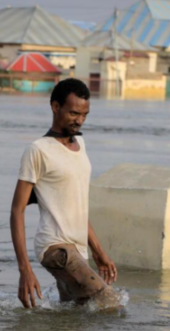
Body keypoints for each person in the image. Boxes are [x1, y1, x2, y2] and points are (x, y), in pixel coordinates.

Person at [10, 79, 118, 309]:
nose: (79, 120)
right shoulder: (38, 150)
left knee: (72, 320)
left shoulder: (81, 144)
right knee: (110, 305)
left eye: (84, 115)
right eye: (73, 113)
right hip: (56, 248)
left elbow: (77, 206)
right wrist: (25, 270)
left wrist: (98, 252)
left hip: (77, 250)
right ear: (55, 107)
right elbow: (17, 210)